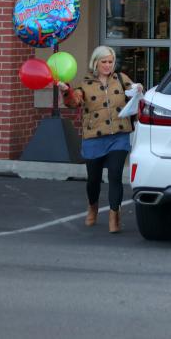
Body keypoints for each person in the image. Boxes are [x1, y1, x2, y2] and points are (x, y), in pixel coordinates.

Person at [59, 46, 143, 233]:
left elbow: (135, 93)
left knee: (115, 176)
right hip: (94, 139)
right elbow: (74, 102)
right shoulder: (86, 83)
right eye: (103, 62)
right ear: (95, 62)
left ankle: (115, 216)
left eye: (110, 62)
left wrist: (139, 89)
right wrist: (67, 91)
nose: (107, 65)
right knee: (93, 180)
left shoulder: (121, 78)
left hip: (119, 137)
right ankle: (92, 207)